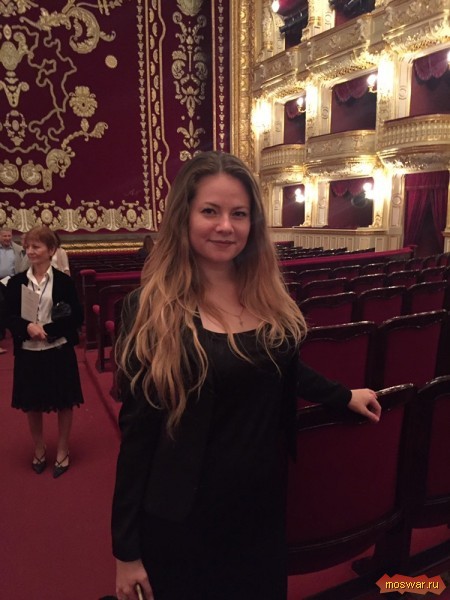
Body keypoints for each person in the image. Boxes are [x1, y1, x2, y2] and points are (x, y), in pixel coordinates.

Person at [111, 151, 381, 600]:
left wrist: (341, 395)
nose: (226, 226)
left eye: (239, 214)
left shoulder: (266, 295)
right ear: (184, 217)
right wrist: (126, 551)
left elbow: (280, 367)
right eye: (210, 211)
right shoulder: (148, 309)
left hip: (259, 509)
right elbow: (137, 435)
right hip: (183, 520)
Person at [4, 225, 84, 478]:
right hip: (28, 351)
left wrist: (47, 330)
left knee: (64, 402)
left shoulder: (64, 282)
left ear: (51, 250)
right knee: (32, 403)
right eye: (27, 246)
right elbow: (8, 316)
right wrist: (27, 327)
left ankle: (62, 448)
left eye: (36, 246)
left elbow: (76, 317)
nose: (30, 251)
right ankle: (39, 447)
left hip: (58, 350)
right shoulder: (17, 282)